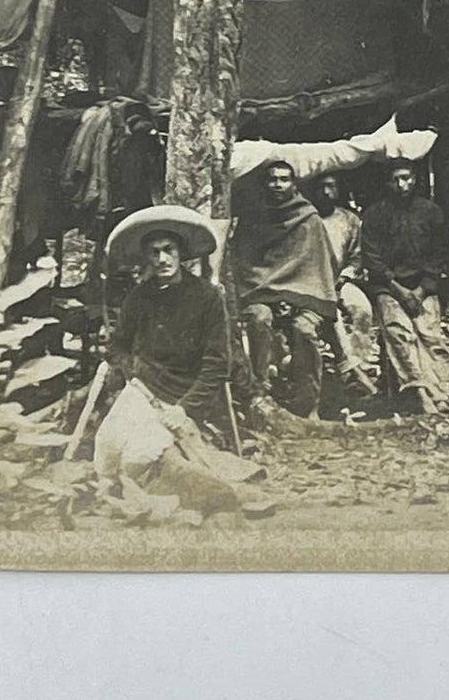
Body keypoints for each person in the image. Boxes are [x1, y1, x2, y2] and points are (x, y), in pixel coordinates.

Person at [93, 205, 267, 516]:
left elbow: (217, 364)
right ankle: (119, 495)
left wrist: (184, 409)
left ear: (180, 253)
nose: (161, 259)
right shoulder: (139, 297)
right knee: (106, 447)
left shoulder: (207, 297)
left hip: (185, 394)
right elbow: (115, 346)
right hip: (143, 390)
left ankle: (169, 497)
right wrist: (133, 371)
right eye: (154, 252)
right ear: (146, 257)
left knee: (139, 456)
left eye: (168, 250)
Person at [229, 160, 339, 417]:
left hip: (305, 296)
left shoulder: (309, 219)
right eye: (272, 179)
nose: (278, 184)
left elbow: (318, 266)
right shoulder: (253, 217)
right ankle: (260, 392)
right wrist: (273, 293)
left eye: (284, 179)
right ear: (265, 183)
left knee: (304, 329)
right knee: (259, 318)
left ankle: (309, 404)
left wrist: (295, 296)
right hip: (263, 292)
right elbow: (244, 263)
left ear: (294, 183)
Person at [361, 160, 449, 414]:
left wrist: (422, 290)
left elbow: (440, 253)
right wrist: (398, 289)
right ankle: (419, 391)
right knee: (399, 333)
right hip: (389, 287)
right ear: (387, 183)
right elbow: (372, 259)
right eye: (396, 180)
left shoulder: (431, 211)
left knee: (431, 335)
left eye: (407, 178)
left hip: (423, 286)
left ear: (414, 179)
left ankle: (441, 395)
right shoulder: (374, 215)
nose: (402, 185)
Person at [311, 172, 377, 395]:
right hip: (312, 282)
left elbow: (357, 256)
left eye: (331, 186)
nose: (326, 192)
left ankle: (362, 364)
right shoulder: (307, 219)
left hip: (342, 279)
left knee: (361, 309)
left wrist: (345, 277)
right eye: (321, 187)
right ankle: (347, 369)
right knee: (333, 318)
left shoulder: (350, 219)